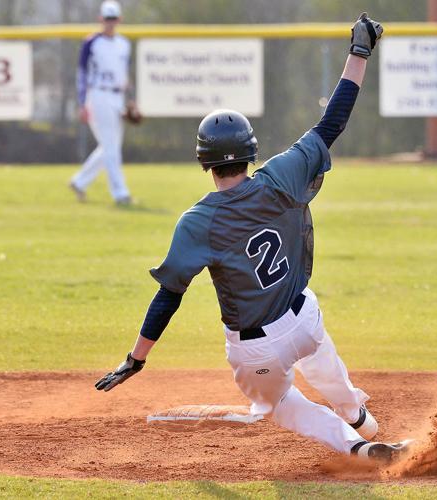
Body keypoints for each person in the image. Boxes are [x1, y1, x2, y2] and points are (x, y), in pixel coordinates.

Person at [95, 14, 412, 463]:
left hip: (254, 347)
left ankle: (356, 445)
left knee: (279, 404)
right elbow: (332, 122)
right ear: (251, 151)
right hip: (301, 317)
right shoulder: (281, 174)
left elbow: (169, 296)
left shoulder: (196, 220)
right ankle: (357, 414)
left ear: (204, 161)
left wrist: (136, 358)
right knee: (315, 342)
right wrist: (359, 52)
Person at [70, 0, 135, 206]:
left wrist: (131, 99)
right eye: (107, 18)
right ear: (100, 19)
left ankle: (79, 181)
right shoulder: (91, 43)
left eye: (113, 18)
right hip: (98, 95)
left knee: (111, 147)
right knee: (111, 147)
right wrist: (82, 103)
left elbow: (124, 74)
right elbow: (82, 74)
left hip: (118, 96)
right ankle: (120, 193)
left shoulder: (124, 44)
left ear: (119, 19)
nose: (110, 22)